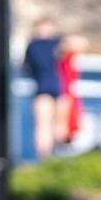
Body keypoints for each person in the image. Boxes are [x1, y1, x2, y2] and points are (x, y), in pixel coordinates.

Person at [24, 18, 63, 159]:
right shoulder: (40, 46)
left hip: (52, 89)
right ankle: (46, 158)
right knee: (46, 126)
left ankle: (49, 158)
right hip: (48, 89)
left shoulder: (36, 46)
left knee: (56, 127)